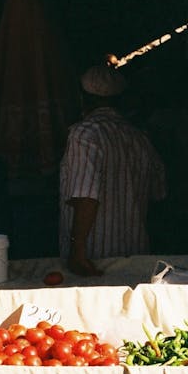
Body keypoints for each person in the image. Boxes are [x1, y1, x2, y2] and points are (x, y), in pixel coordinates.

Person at [59, 59, 167, 276]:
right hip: (137, 256)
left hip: (93, 258)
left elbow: (85, 196)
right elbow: (159, 195)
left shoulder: (84, 134)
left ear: (83, 99)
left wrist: (77, 250)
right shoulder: (140, 137)